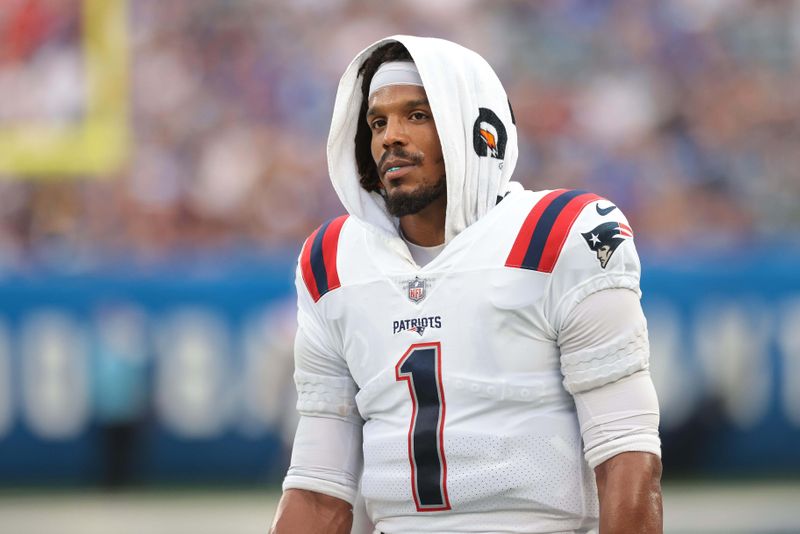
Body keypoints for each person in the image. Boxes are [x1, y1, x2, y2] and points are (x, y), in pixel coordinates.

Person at [271, 35, 662, 533]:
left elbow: (627, 454)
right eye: (378, 122)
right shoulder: (333, 260)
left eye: (417, 115)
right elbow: (317, 487)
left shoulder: (562, 234)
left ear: (478, 129)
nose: (390, 137)